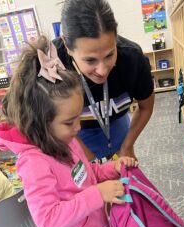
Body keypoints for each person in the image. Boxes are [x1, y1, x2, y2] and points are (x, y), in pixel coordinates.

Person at [0, 36, 137, 227]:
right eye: (69, 122)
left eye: (78, 118)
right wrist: (99, 195)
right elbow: (48, 220)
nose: (78, 128)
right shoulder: (34, 163)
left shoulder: (66, 141)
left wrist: (111, 170)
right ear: (40, 123)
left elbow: (86, 177)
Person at [54, 0, 155, 162]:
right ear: (66, 45)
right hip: (72, 137)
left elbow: (145, 107)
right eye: (90, 60)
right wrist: (83, 157)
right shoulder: (52, 65)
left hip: (117, 128)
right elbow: (45, 124)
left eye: (109, 55)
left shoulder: (132, 58)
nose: (102, 71)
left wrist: (127, 146)